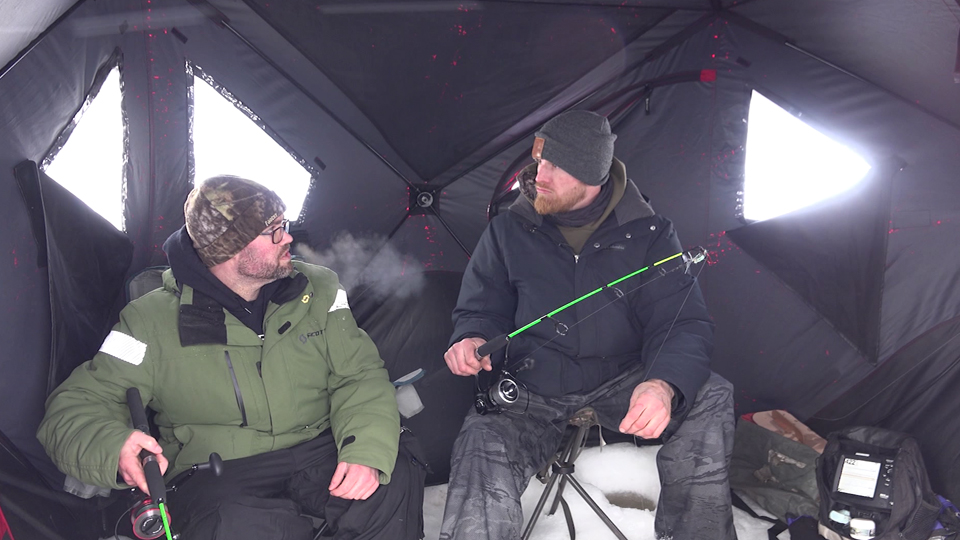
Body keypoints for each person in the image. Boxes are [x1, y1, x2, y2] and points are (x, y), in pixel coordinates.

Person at [37, 175, 424, 539]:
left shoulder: (318, 290)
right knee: (237, 524)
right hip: (219, 472)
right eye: (273, 231)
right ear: (229, 248)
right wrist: (115, 447)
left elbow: (359, 376)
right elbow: (74, 409)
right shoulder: (147, 322)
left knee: (391, 483)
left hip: (320, 448)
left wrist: (366, 453)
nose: (287, 236)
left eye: (283, 223)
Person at [440, 111, 737, 540]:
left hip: (621, 383)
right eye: (538, 161)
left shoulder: (649, 234)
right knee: (482, 438)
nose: (538, 175)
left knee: (709, 395)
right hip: (532, 389)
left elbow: (681, 323)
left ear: (591, 175)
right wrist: (471, 338)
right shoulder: (507, 231)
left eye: (554, 166)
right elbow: (481, 309)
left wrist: (663, 384)